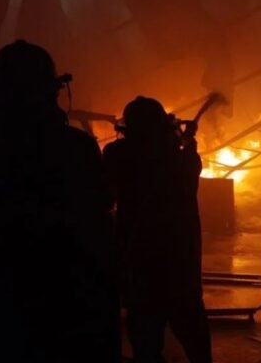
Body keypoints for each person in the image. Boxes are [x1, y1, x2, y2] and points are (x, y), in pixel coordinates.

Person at [0, 40, 121, 363]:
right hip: (80, 317)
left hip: (12, 320)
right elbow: (101, 222)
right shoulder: (79, 150)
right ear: (53, 94)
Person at [103, 96, 212, 363]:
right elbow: (186, 162)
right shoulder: (182, 161)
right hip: (180, 267)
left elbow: (109, 185)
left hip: (139, 267)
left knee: (146, 345)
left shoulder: (118, 156)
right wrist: (186, 140)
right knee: (196, 342)